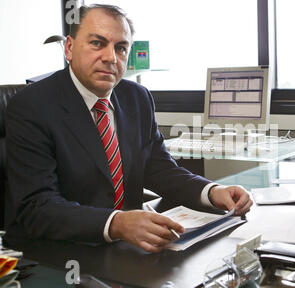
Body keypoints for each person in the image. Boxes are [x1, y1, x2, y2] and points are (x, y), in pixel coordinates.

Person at [5, 4, 252, 253]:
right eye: (97, 43)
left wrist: (212, 191)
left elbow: (160, 169)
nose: (111, 57)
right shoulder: (31, 106)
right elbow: (37, 207)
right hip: (58, 253)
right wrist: (116, 223)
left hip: (130, 248)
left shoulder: (137, 97)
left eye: (120, 48)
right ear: (69, 48)